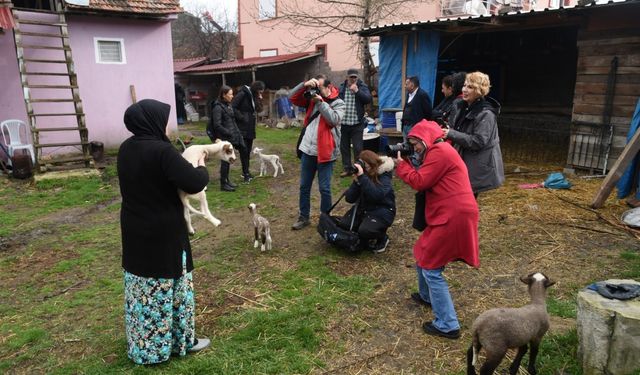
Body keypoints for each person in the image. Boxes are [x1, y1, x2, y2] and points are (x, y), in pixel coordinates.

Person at [117, 99, 211, 364]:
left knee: (142, 288)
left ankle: (146, 349)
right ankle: (181, 340)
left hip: (135, 230)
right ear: (153, 122)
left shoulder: (126, 149)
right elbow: (194, 183)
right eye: (164, 119)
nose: (167, 125)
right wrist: (201, 164)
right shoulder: (162, 151)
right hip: (163, 232)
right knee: (173, 286)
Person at [396, 120, 479, 340]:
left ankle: (448, 324)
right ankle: (426, 297)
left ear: (425, 138)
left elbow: (420, 181)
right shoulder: (440, 150)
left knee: (432, 268)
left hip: (454, 215)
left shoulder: (440, 151)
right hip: (451, 212)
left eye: (415, 144)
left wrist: (400, 165)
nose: (414, 149)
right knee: (422, 252)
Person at [289, 75, 345, 230]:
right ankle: (304, 217)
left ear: (328, 87)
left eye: (319, 88)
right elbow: (292, 97)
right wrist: (304, 84)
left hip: (326, 152)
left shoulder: (338, 103)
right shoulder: (310, 99)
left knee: (324, 188)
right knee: (304, 186)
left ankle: (325, 219)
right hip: (308, 150)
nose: (315, 91)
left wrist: (320, 102)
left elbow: (333, 120)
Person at [443, 71, 505, 196]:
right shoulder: (464, 107)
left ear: (479, 90)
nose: (464, 90)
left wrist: (451, 133)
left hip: (477, 164)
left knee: (467, 198)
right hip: (464, 160)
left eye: (470, 87)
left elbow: (478, 141)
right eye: (465, 85)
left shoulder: (485, 113)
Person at [344, 150, 396, 253]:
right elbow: (349, 199)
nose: (365, 169)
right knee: (345, 225)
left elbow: (376, 196)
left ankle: (382, 237)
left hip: (382, 211)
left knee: (365, 231)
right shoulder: (364, 176)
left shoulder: (384, 176)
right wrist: (356, 182)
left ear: (373, 164)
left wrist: (363, 178)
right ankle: (364, 236)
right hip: (365, 209)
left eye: (366, 166)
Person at [207, 85, 245, 192]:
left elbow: (231, 121)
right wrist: (228, 133)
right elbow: (217, 125)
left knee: (228, 160)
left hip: (231, 137)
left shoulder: (228, 105)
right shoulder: (218, 107)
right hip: (224, 138)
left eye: (232, 94)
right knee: (225, 160)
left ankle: (227, 181)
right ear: (224, 95)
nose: (232, 96)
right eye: (230, 94)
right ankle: (223, 184)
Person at [338, 68, 372, 177]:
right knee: (344, 148)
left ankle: (358, 169)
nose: (353, 79)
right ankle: (347, 169)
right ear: (347, 77)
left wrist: (357, 91)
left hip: (357, 123)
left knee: (358, 148)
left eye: (355, 77)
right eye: (351, 77)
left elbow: (367, 99)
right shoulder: (341, 87)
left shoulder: (362, 87)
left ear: (357, 78)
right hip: (344, 123)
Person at [232, 80, 265, 182]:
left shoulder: (254, 95)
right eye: (259, 91)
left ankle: (245, 171)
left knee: (248, 150)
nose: (260, 93)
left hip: (250, 126)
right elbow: (233, 107)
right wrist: (242, 117)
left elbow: (259, 110)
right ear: (255, 89)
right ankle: (246, 173)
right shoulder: (243, 94)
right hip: (242, 126)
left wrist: (259, 99)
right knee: (244, 150)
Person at [401, 76, 433, 140]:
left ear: (412, 86)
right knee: (406, 147)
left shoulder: (422, 95)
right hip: (406, 126)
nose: (405, 86)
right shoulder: (408, 94)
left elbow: (428, 113)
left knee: (415, 147)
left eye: (406, 84)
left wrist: (421, 126)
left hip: (415, 128)